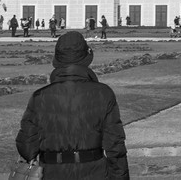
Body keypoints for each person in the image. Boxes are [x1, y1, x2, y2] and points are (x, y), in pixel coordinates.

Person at [16, 32, 130, 179]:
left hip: (52, 173)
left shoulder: (39, 97)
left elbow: (27, 147)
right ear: (85, 59)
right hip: (94, 172)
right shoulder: (104, 93)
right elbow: (115, 146)